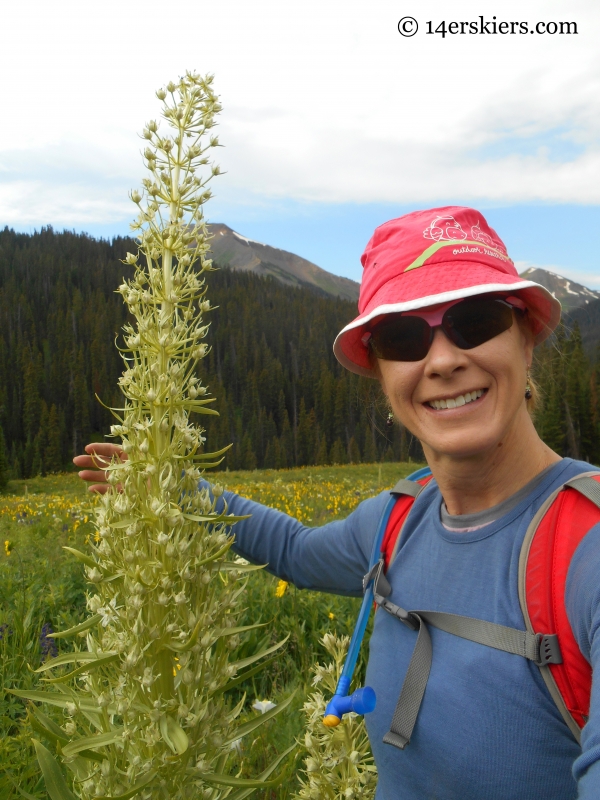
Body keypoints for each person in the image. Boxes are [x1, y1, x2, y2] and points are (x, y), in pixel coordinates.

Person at [74, 206, 600, 799]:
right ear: (381, 374)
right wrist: (173, 487)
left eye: (476, 321)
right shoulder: (398, 520)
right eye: (404, 337)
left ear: (527, 339)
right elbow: (295, 551)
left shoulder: (585, 546)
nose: (444, 360)